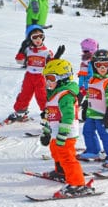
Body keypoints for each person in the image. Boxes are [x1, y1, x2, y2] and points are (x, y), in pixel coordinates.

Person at [39, 59, 93, 197]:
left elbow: (68, 116)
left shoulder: (65, 96)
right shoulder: (54, 94)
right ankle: (61, 172)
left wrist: (63, 134)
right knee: (56, 152)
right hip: (56, 133)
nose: (47, 82)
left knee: (67, 157)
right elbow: (50, 116)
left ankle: (77, 183)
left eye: (51, 78)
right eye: (46, 78)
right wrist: (46, 132)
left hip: (66, 134)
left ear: (62, 78)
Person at [7, 25, 65, 123]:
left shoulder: (46, 52)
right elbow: (19, 61)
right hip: (29, 76)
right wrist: (22, 49)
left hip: (41, 77)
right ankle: (21, 112)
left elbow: (51, 66)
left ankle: (48, 114)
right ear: (30, 39)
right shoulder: (28, 50)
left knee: (42, 96)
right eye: (34, 37)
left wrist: (57, 56)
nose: (38, 39)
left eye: (40, 36)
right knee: (24, 94)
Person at [77, 49, 108, 168]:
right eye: (99, 65)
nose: (102, 68)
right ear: (94, 66)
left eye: (106, 65)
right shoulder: (92, 79)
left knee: (105, 135)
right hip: (92, 114)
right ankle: (93, 150)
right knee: (87, 131)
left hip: (103, 115)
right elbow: (90, 93)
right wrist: (86, 104)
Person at [15, 0, 49, 66]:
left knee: (28, 41)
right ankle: (38, 59)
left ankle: (25, 59)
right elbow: (40, 8)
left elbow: (36, 8)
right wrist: (29, 9)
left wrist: (33, 17)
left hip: (33, 22)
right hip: (39, 22)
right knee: (37, 41)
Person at [77, 38, 99, 121]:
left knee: (88, 102)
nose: (84, 53)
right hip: (85, 86)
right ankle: (72, 115)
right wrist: (80, 86)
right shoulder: (84, 62)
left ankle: (87, 117)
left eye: (86, 51)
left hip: (94, 87)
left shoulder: (97, 62)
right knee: (77, 99)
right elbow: (82, 75)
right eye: (83, 51)